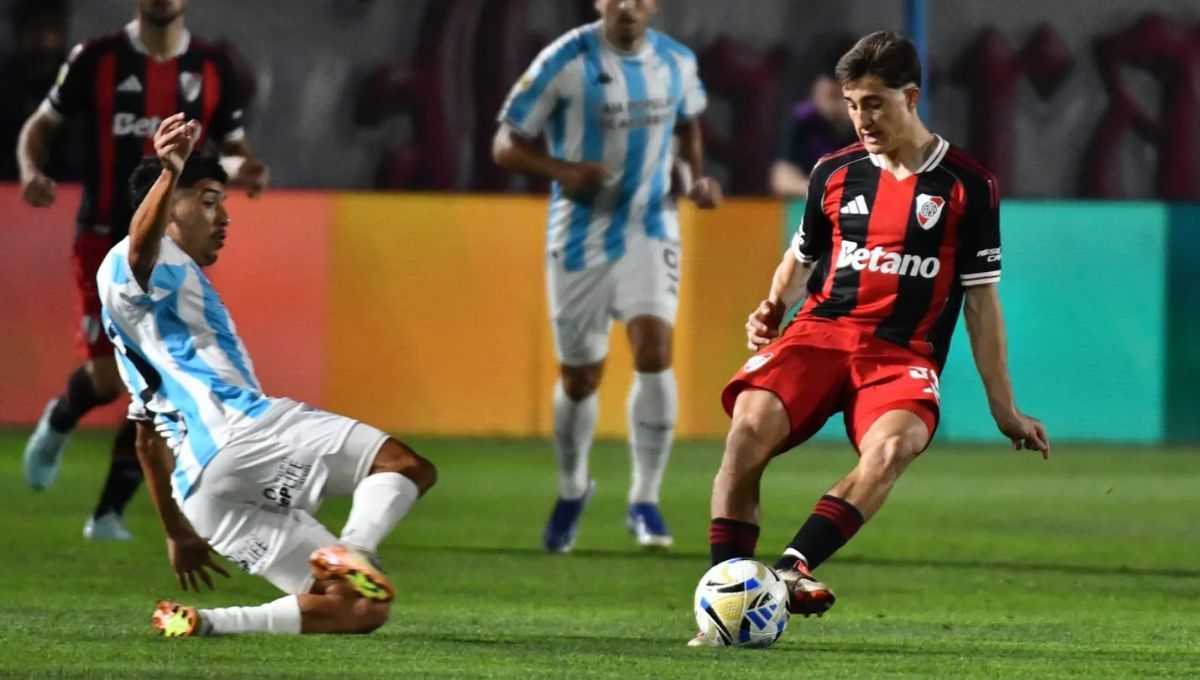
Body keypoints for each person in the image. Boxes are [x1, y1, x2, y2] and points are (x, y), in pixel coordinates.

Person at [695, 32, 1049, 645]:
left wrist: (1003, 407)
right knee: (746, 430)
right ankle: (726, 599)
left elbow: (982, 301)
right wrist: (773, 305)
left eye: (875, 103)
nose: (861, 118)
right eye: (853, 103)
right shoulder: (833, 173)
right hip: (820, 333)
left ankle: (784, 574)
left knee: (893, 448)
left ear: (911, 98)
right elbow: (800, 256)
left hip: (901, 355)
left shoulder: (968, 185)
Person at [100, 114, 436, 637]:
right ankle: (355, 548)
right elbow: (141, 250)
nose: (222, 217)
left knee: (359, 607)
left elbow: (147, 440)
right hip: (241, 432)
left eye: (223, 204)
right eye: (208, 201)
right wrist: (169, 173)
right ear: (167, 207)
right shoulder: (136, 260)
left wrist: (177, 532)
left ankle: (201, 623)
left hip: (202, 492)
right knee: (403, 466)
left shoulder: (149, 330)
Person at [17, 0, 269, 541]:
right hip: (103, 238)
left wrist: (244, 168)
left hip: (176, 249)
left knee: (162, 378)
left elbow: (229, 152)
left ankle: (107, 515)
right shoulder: (96, 59)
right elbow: (40, 126)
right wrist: (31, 170)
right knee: (108, 379)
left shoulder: (212, 68)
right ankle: (61, 417)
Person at [492, 0, 722, 553]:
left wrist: (695, 178)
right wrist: (564, 171)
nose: (628, 7)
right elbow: (506, 145)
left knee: (654, 348)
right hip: (579, 235)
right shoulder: (564, 59)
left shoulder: (677, 63)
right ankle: (573, 488)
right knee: (580, 378)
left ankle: (645, 499)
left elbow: (688, 126)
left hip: (651, 226)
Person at [770, 41, 858, 198]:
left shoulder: (871, 128)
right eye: (832, 96)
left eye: (844, 97)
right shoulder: (803, 122)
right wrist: (827, 191)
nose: (837, 105)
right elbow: (781, 180)